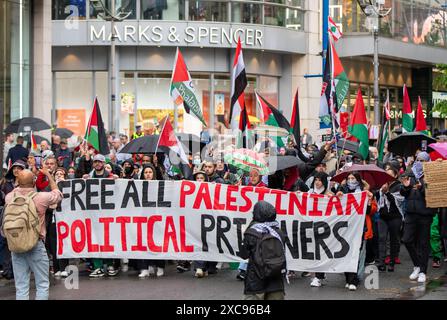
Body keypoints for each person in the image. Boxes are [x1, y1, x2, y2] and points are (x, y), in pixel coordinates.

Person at [3, 169, 62, 300]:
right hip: (35, 244)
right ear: (34, 182)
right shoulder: (41, 198)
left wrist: (19, 182)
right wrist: (47, 175)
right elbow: (58, 194)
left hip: (16, 244)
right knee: (42, 284)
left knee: (21, 286)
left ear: (18, 182)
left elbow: (15, 190)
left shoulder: (9, 197)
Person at [400, 151, 437, 283]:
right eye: (419, 160)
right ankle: (417, 265)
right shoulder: (411, 172)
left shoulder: (431, 175)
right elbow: (403, 192)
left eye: (423, 160)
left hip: (425, 214)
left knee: (423, 243)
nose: (420, 162)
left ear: (428, 162)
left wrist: (422, 188)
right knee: (407, 240)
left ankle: (423, 271)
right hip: (411, 213)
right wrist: (406, 187)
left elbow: (433, 193)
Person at [239, 201, 286, 300]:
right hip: (276, 281)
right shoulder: (279, 232)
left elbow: (243, 254)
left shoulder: (252, 232)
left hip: (255, 280)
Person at [136, 164, 166, 278]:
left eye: (150, 172)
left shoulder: (159, 185)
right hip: (143, 218)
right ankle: (144, 268)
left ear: (153, 173)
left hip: (157, 218)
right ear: (143, 174)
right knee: (143, 243)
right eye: (146, 172)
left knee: (157, 242)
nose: (148, 174)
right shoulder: (138, 186)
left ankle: (160, 266)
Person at [376, 166, 404, 272]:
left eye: (390, 174)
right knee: (382, 238)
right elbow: (378, 201)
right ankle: (381, 262)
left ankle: (392, 261)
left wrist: (387, 192)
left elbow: (397, 202)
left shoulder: (399, 186)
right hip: (383, 217)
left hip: (395, 217)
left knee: (393, 239)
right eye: (386, 173)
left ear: (396, 175)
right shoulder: (382, 185)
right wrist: (380, 192)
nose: (387, 176)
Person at [309, 172, 332, 287]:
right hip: (311, 226)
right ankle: (320, 274)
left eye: (320, 180)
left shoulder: (328, 194)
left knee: (321, 252)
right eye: (316, 180)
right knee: (314, 252)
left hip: (324, 226)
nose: (317, 182)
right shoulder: (310, 193)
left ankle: (318, 276)